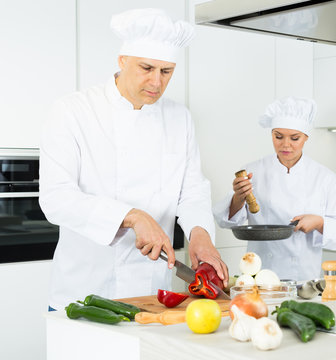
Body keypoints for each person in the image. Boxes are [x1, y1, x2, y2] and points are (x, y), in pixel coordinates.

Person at [40, 8, 228, 311]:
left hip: (151, 294)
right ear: (122, 61)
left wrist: (201, 235)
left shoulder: (179, 118)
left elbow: (192, 190)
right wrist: (133, 216)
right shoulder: (72, 111)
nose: (156, 82)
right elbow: (55, 199)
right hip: (84, 292)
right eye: (147, 68)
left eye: (166, 72)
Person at [213, 97, 336, 281]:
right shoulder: (252, 171)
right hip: (257, 276)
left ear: (306, 138)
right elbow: (226, 221)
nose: (285, 144)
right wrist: (238, 198)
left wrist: (319, 222)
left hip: (304, 278)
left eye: (294, 138)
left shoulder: (325, 178)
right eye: (278, 136)